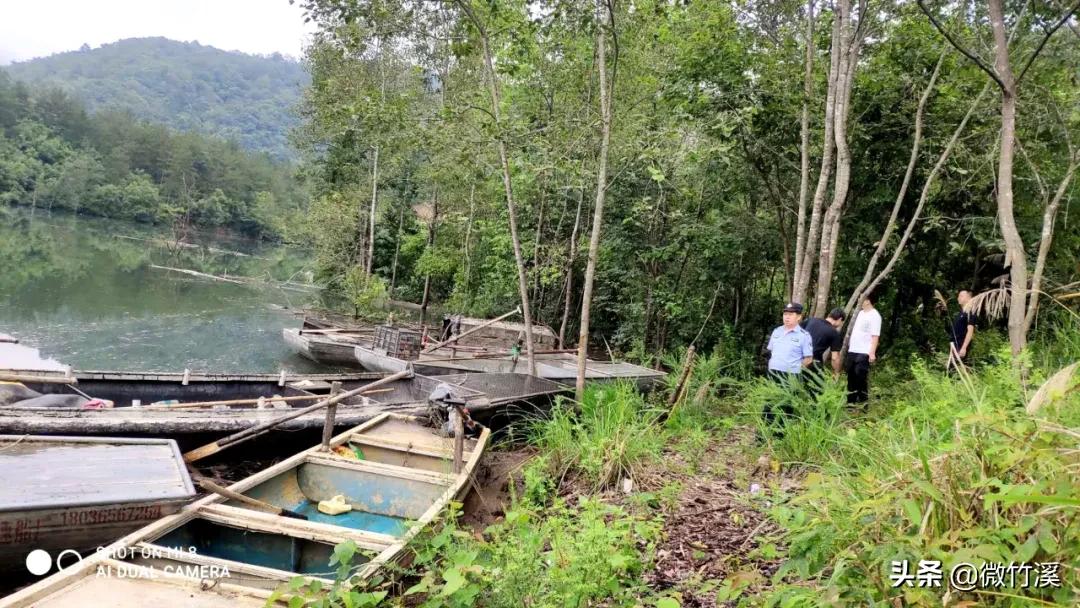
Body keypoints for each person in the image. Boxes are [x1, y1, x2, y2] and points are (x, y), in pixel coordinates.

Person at [764, 302, 813, 430]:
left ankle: (781, 433)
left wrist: (795, 368)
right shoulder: (777, 331)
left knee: (786, 404)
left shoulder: (804, 336)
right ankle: (765, 430)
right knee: (769, 402)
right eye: (785, 314)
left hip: (790, 376)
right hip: (774, 373)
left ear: (799, 317)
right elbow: (771, 350)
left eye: (791, 314)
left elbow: (808, 359)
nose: (787, 317)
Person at [846, 291, 881, 405]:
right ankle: (850, 402)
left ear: (868, 300)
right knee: (850, 375)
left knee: (860, 375)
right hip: (853, 349)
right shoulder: (860, 313)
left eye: (862, 298)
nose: (859, 300)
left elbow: (875, 336)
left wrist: (872, 353)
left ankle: (863, 402)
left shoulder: (875, 316)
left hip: (864, 350)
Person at [801, 308, 846, 386]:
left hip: (796, 358)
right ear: (840, 319)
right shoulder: (834, 333)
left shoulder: (811, 320)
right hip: (813, 362)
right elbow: (835, 358)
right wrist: (836, 373)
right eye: (842, 322)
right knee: (818, 389)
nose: (841, 324)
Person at [949, 289, 976, 360]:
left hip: (961, 346)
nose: (958, 298)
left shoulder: (970, 313)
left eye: (961, 296)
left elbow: (970, 332)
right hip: (954, 345)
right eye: (958, 296)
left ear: (969, 298)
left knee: (955, 368)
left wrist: (964, 348)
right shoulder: (960, 313)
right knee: (953, 369)